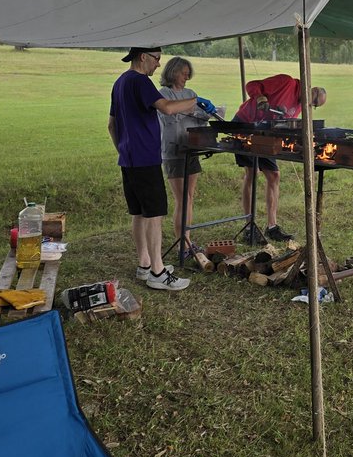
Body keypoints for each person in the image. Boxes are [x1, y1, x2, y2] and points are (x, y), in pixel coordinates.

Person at [108, 47, 208, 290]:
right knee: (154, 215)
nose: (157, 65)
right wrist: (195, 101)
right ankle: (158, 272)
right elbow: (167, 107)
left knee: (139, 213)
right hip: (146, 159)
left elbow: (111, 126)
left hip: (129, 159)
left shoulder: (119, 83)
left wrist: (124, 149)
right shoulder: (140, 81)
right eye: (156, 60)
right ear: (143, 57)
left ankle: (145, 265)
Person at [232, 73, 326, 244]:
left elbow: (282, 125)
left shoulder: (299, 106)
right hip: (246, 124)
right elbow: (252, 84)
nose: (310, 105)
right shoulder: (286, 82)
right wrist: (261, 97)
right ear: (311, 89)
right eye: (313, 101)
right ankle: (249, 227)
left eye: (314, 106)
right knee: (252, 173)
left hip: (266, 133)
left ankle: (272, 227)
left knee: (274, 175)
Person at [157, 56, 217, 256]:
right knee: (181, 199)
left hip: (191, 149)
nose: (187, 77)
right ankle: (181, 244)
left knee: (189, 198)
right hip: (173, 151)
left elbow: (198, 122)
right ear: (173, 72)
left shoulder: (191, 93)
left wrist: (208, 113)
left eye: (188, 73)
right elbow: (168, 117)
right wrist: (191, 105)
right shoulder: (163, 94)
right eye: (184, 73)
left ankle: (187, 241)